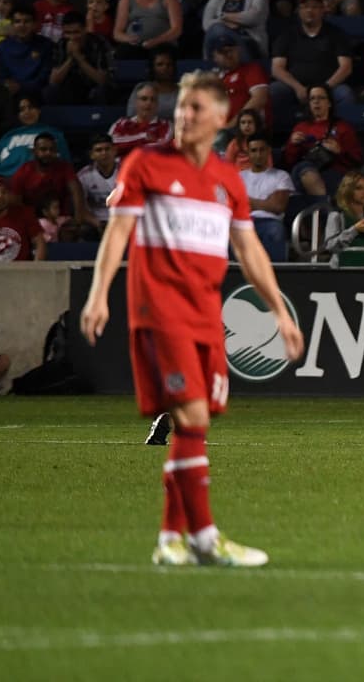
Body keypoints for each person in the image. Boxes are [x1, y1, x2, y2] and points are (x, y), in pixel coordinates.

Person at [80, 69, 304, 566]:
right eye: (180, 107)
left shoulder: (227, 180)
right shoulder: (145, 164)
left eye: (195, 108)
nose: (184, 116)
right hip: (160, 311)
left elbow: (248, 248)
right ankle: (204, 538)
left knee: (193, 428)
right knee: (192, 415)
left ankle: (170, 540)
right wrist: (100, 294)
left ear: (221, 117)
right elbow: (117, 234)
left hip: (207, 316)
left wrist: (279, 313)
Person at [269, 0, 354, 127]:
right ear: (298, 11)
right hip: (294, 87)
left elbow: (346, 67)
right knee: (272, 91)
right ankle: (271, 138)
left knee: (345, 94)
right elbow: (277, 68)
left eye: (315, 6)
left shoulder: (336, 34)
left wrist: (324, 88)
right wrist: (298, 87)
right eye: (305, 6)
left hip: (328, 86)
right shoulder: (286, 35)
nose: (310, 10)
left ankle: (338, 134)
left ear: (322, 10)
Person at [283, 84, 363, 197]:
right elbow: (288, 162)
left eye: (321, 98)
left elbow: (357, 160)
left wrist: (340, 151)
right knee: (304, 167)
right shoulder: (301, 128)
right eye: (312, 98)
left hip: (334, 172)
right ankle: (326, 205)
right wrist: (293, 145)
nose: (316, 102)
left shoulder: (343, 127)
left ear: (329, 103)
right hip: (304, 172)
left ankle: (323, 205)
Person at [239, 135, 293, 262]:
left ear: (269, 151)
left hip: (270, 222)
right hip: (244, 222)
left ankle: (274, 275)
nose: (258, 154)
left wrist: (250, 202)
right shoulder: (238, 177)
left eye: (262, 150)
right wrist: (267, 202)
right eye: (254, 150)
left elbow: (278, 206)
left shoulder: (281, 176)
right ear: (248, 153)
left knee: (275, 231)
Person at [45, 11, 115, 106]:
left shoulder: (99, 43)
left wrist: (79, 58)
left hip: (94, 88)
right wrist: (70, 58)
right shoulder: (61, 44)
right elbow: (54, 81)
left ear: (85, 29)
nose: (72, 37)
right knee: (51, 91)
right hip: (71, 88)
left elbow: (102, 80)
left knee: (102, 91)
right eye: (68, 33)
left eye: (76, 32)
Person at [0, 94, 71, 179]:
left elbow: (65, 165)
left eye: (31, 107)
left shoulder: (54, 134)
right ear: (18, 115)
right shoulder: (8, 136)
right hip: (6, 184)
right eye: (22, 110)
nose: (27, 112)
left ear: (38, 110)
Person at [212, 31, 272, 133]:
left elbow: (260, 98)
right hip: (222, 132)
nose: (228, 55)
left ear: (239, 51)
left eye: (231, 50)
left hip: (248, 131)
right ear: (214, 57)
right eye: (223, 52)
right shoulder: (215, 79)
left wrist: (232, 124)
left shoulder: (251, 70)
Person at [0, 5, 53, 100]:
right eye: (17, 21)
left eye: (27, 21)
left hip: (36, 93)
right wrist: (8, 84)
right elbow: (2, 75)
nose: (22, 25)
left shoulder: (45, 44)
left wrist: (22, 87)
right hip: (9, 93)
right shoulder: (3, 46)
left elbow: (44, 77)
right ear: (12, 25)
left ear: (35, 24)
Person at [110, 82, 172, 156]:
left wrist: (126, 145)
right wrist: (143, 136)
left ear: (157, 104)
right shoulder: (121, 123)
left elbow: (162, 147)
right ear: (136, 102)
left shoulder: (166, 125)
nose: (148, 103)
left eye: (153, 99)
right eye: (144, 99)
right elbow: (110, 144)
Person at [0, 175, 46, 261]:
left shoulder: (25, 214)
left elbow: (40, 243)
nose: (0, 196)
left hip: (22, 271)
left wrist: (36, 269)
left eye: (4, 192)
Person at [77, 132, 120, 231]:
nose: (104, 153)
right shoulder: (84, 176)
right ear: (91, 155)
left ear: (114, 151)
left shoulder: (127, 173)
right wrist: (98, 223)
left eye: (107, 149)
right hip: (95, 222)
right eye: (98, 150)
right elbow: (80, 208)